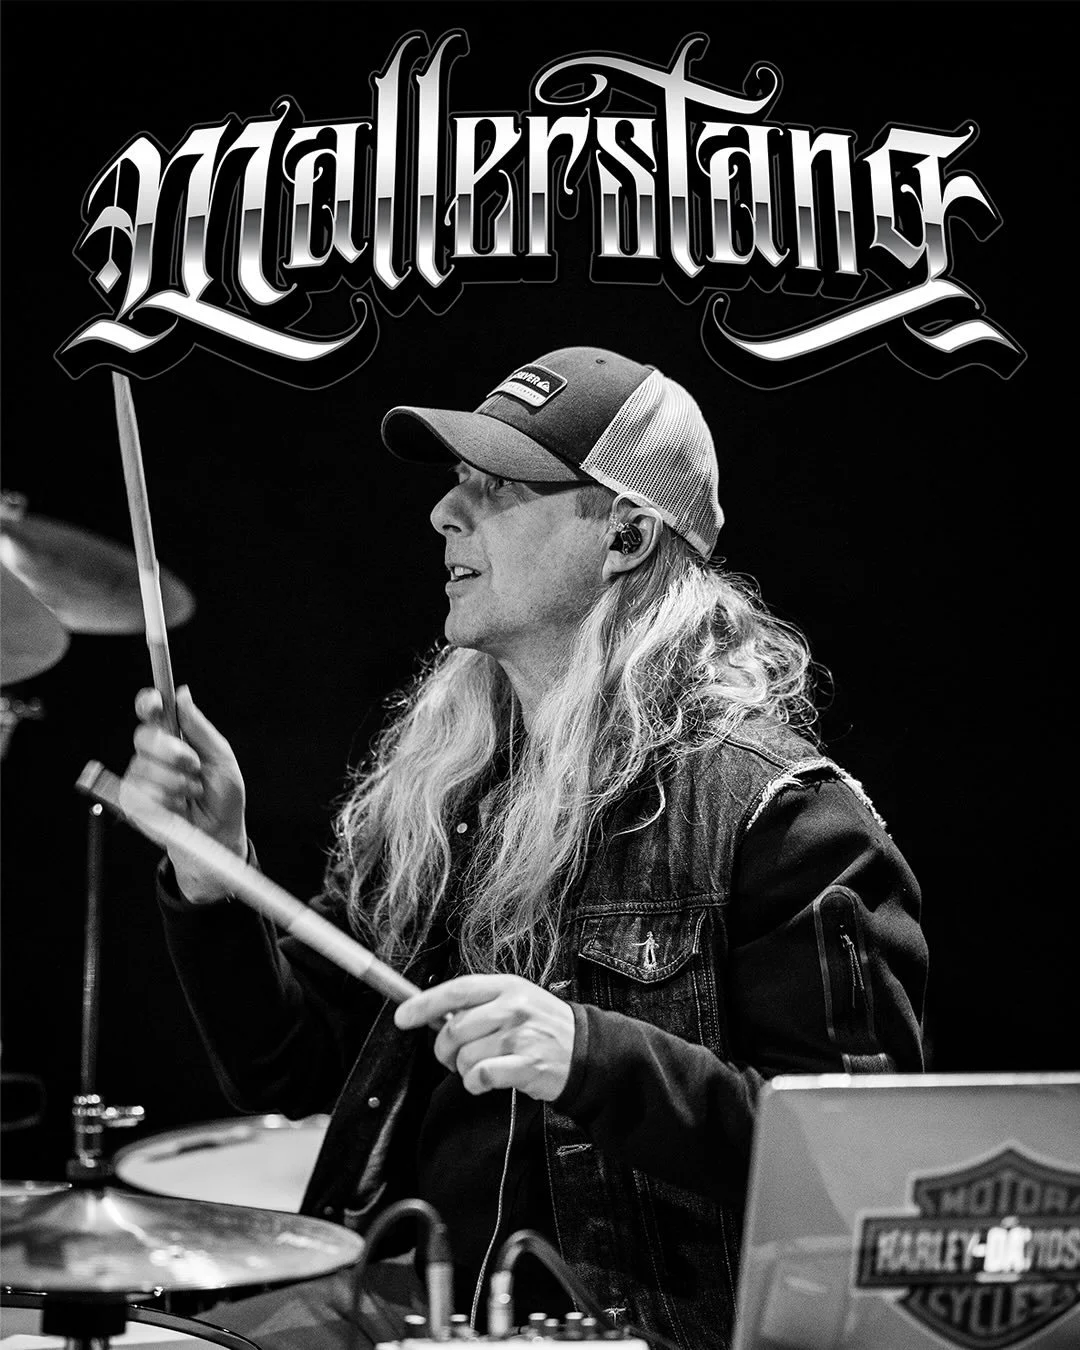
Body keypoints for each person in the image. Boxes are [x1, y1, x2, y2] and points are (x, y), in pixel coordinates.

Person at [124, 346, 928, 1350]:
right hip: (407, 1303)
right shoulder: (446, 793)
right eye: (458, 483)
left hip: (639, 1331)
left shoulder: (783, 818)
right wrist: (215, 877)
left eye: (496, 487)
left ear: (627, 533)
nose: (444, 515)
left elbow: (865, 1178)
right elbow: (292, 1076)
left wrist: (592, 1057)